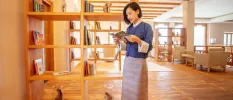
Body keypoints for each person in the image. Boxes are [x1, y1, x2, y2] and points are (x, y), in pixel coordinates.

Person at [114, 2, 153, 100]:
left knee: (139, 88)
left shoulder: (147, 27)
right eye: (127, 15)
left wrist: (137, 40)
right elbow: (127, 46)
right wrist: (119, 41)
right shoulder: (129, 28)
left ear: (137, 11)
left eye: (130, 13)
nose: (128, 16)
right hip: (128, 61)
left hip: (139, 62)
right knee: (127, 88)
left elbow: (149, 47)